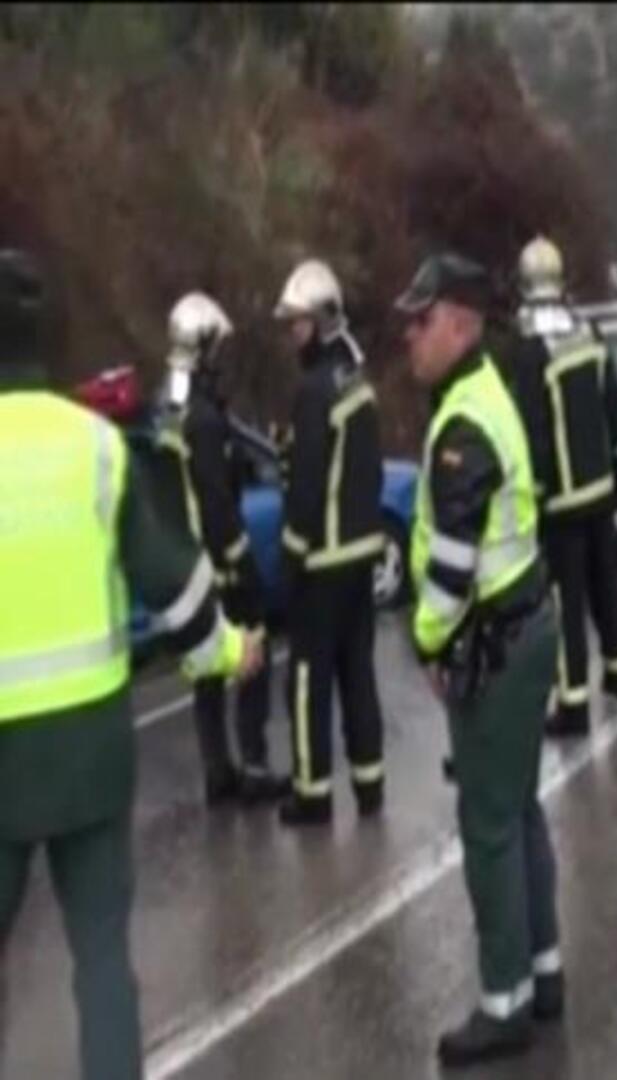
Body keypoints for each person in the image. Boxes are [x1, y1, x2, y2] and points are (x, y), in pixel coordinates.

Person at [0, 248, 261, 1080]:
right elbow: (174, 584)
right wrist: (229, 650)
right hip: (92, 760)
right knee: (103, 965)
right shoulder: (97, 449)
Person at [394, 252, 562, 1067]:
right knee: (519, 807)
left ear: (461, 322)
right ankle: (543, 971)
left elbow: (454, 565)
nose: (409, 337)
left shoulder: (463, 423)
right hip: (525, 625)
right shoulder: (480, 394)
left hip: (494, 641)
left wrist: (426, 637)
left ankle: (505, 1004)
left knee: (489, 825)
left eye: (421, 322)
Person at [156, 292, 287, 806]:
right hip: (216, 560)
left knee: (206, 666)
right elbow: (217, 503)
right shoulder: (204, 420)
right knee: (252, 650)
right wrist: (242, 569)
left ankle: (218, 771)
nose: (223, 363)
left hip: (184, 560)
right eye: (218, 352)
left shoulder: (168, 406)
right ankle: (253, 767)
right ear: (203, 348)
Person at [273, 259, 387, 826]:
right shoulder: (356, 380)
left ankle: (313, 794)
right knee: (357, 672)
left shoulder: (315, 390)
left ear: (319, 321)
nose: (292, 334)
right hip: (361, 557)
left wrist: (291, 555)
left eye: (296, 323)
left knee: (307, 680)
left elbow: (309, 483)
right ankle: (370, 785)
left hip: (321, 562)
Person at [515, 236, 617, 738]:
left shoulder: (529, 347)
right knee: (606, 585)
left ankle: (574, 704)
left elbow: (533, 429)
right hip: (599, 490)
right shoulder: (589, 332)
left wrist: (537, 493)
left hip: (561, 501)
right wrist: (608, 465)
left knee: (568, 603)